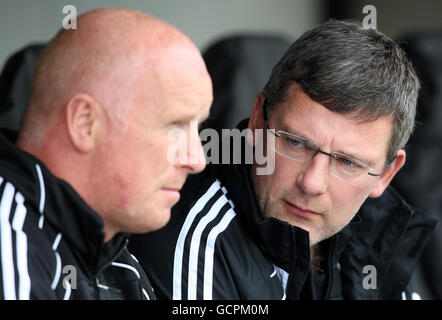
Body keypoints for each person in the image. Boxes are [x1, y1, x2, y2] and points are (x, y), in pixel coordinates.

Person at [129, 20, 437, 300]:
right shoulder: (196, 243)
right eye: (296, 143)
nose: (311, 183)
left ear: (385, 174)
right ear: (257, 122)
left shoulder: (379, 237)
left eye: (347, 162)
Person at [0, 8, 212, 300]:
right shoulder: (10, 248)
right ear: (84, 124)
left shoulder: (122, 265)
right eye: (175, 126)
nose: (196, 160)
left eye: (198, 128)